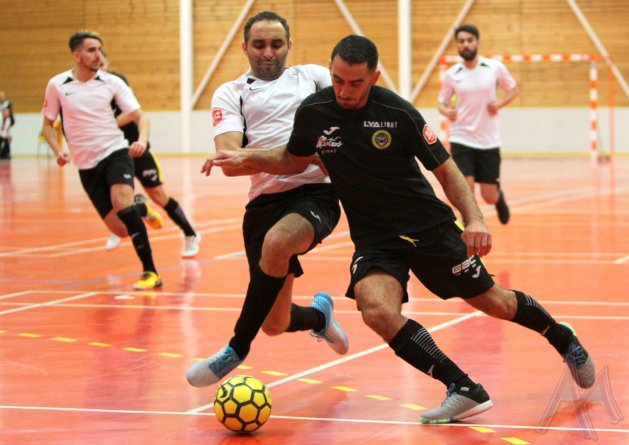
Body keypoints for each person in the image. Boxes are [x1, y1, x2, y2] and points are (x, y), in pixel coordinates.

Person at [205, 35, 595, 424]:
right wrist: (244, 157)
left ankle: (564, 340)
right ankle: (462, 388)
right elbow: (293, 158)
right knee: (375, 310)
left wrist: (474, 219)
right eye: (338, 80)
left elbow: (445, 169)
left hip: (429, 229)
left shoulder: (397, 112)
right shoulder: (315, 112)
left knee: (494, 302)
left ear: (373, 77)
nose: (344, 91)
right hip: (375, 240)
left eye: (355, 83)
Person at [185, 11, 348, 388]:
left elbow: (343, 132)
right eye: (259, 44)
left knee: (278, 242)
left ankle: (236, 348)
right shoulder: (231, 92)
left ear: (289, 45)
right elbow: (230, 162)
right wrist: (302, 154)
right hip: (263, 203)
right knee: (275, 323)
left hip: (316, 194)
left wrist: (266, 156)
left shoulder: (313, 77)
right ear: (245, 47)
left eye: (276, 44)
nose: (268, 52)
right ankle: (319, 318)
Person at [41, 30, 163, 289]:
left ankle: (151, 272)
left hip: (115, 152)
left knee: (122, 204)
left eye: (99, 49)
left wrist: (141, 140)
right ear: (76, 55)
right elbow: (48, 125)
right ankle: (140, 207)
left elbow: (141, 117)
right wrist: (57, 151)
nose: (98, 54)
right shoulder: (57, 85)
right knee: (120, 228)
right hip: (86, 165)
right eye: (91, 50)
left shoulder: (112, 82)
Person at [99, 52, 201, 257]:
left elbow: (132, 114)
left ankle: (190, 234)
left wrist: (105, 125)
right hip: (112, 152)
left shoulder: (117, 82)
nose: (98, 67)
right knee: (115, 196)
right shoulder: (87, 91)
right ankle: (117, 229)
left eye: (101, 63)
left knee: (158, 195)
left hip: (136, 149)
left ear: (108, 65)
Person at [438, 24, 518, 225]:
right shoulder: (451, 74)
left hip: (488, 140)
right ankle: (470, 224)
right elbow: (441, 102)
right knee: (467, 188)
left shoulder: (494, 68)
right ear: (457, 44)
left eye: (469, 40)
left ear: (477, 43)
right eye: (461, 41)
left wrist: (499, 103)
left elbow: (513, 90)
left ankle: (499, 200)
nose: (466, 44)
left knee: (488, 195)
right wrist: (446, 111)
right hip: (461, 138)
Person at [0, 92, 14, 160]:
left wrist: (8, 134)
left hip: (4, 131)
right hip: (1, 131)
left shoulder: (8, 120)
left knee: (8, 139)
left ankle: (6, 153)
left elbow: (6, 128)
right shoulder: (0, 118)